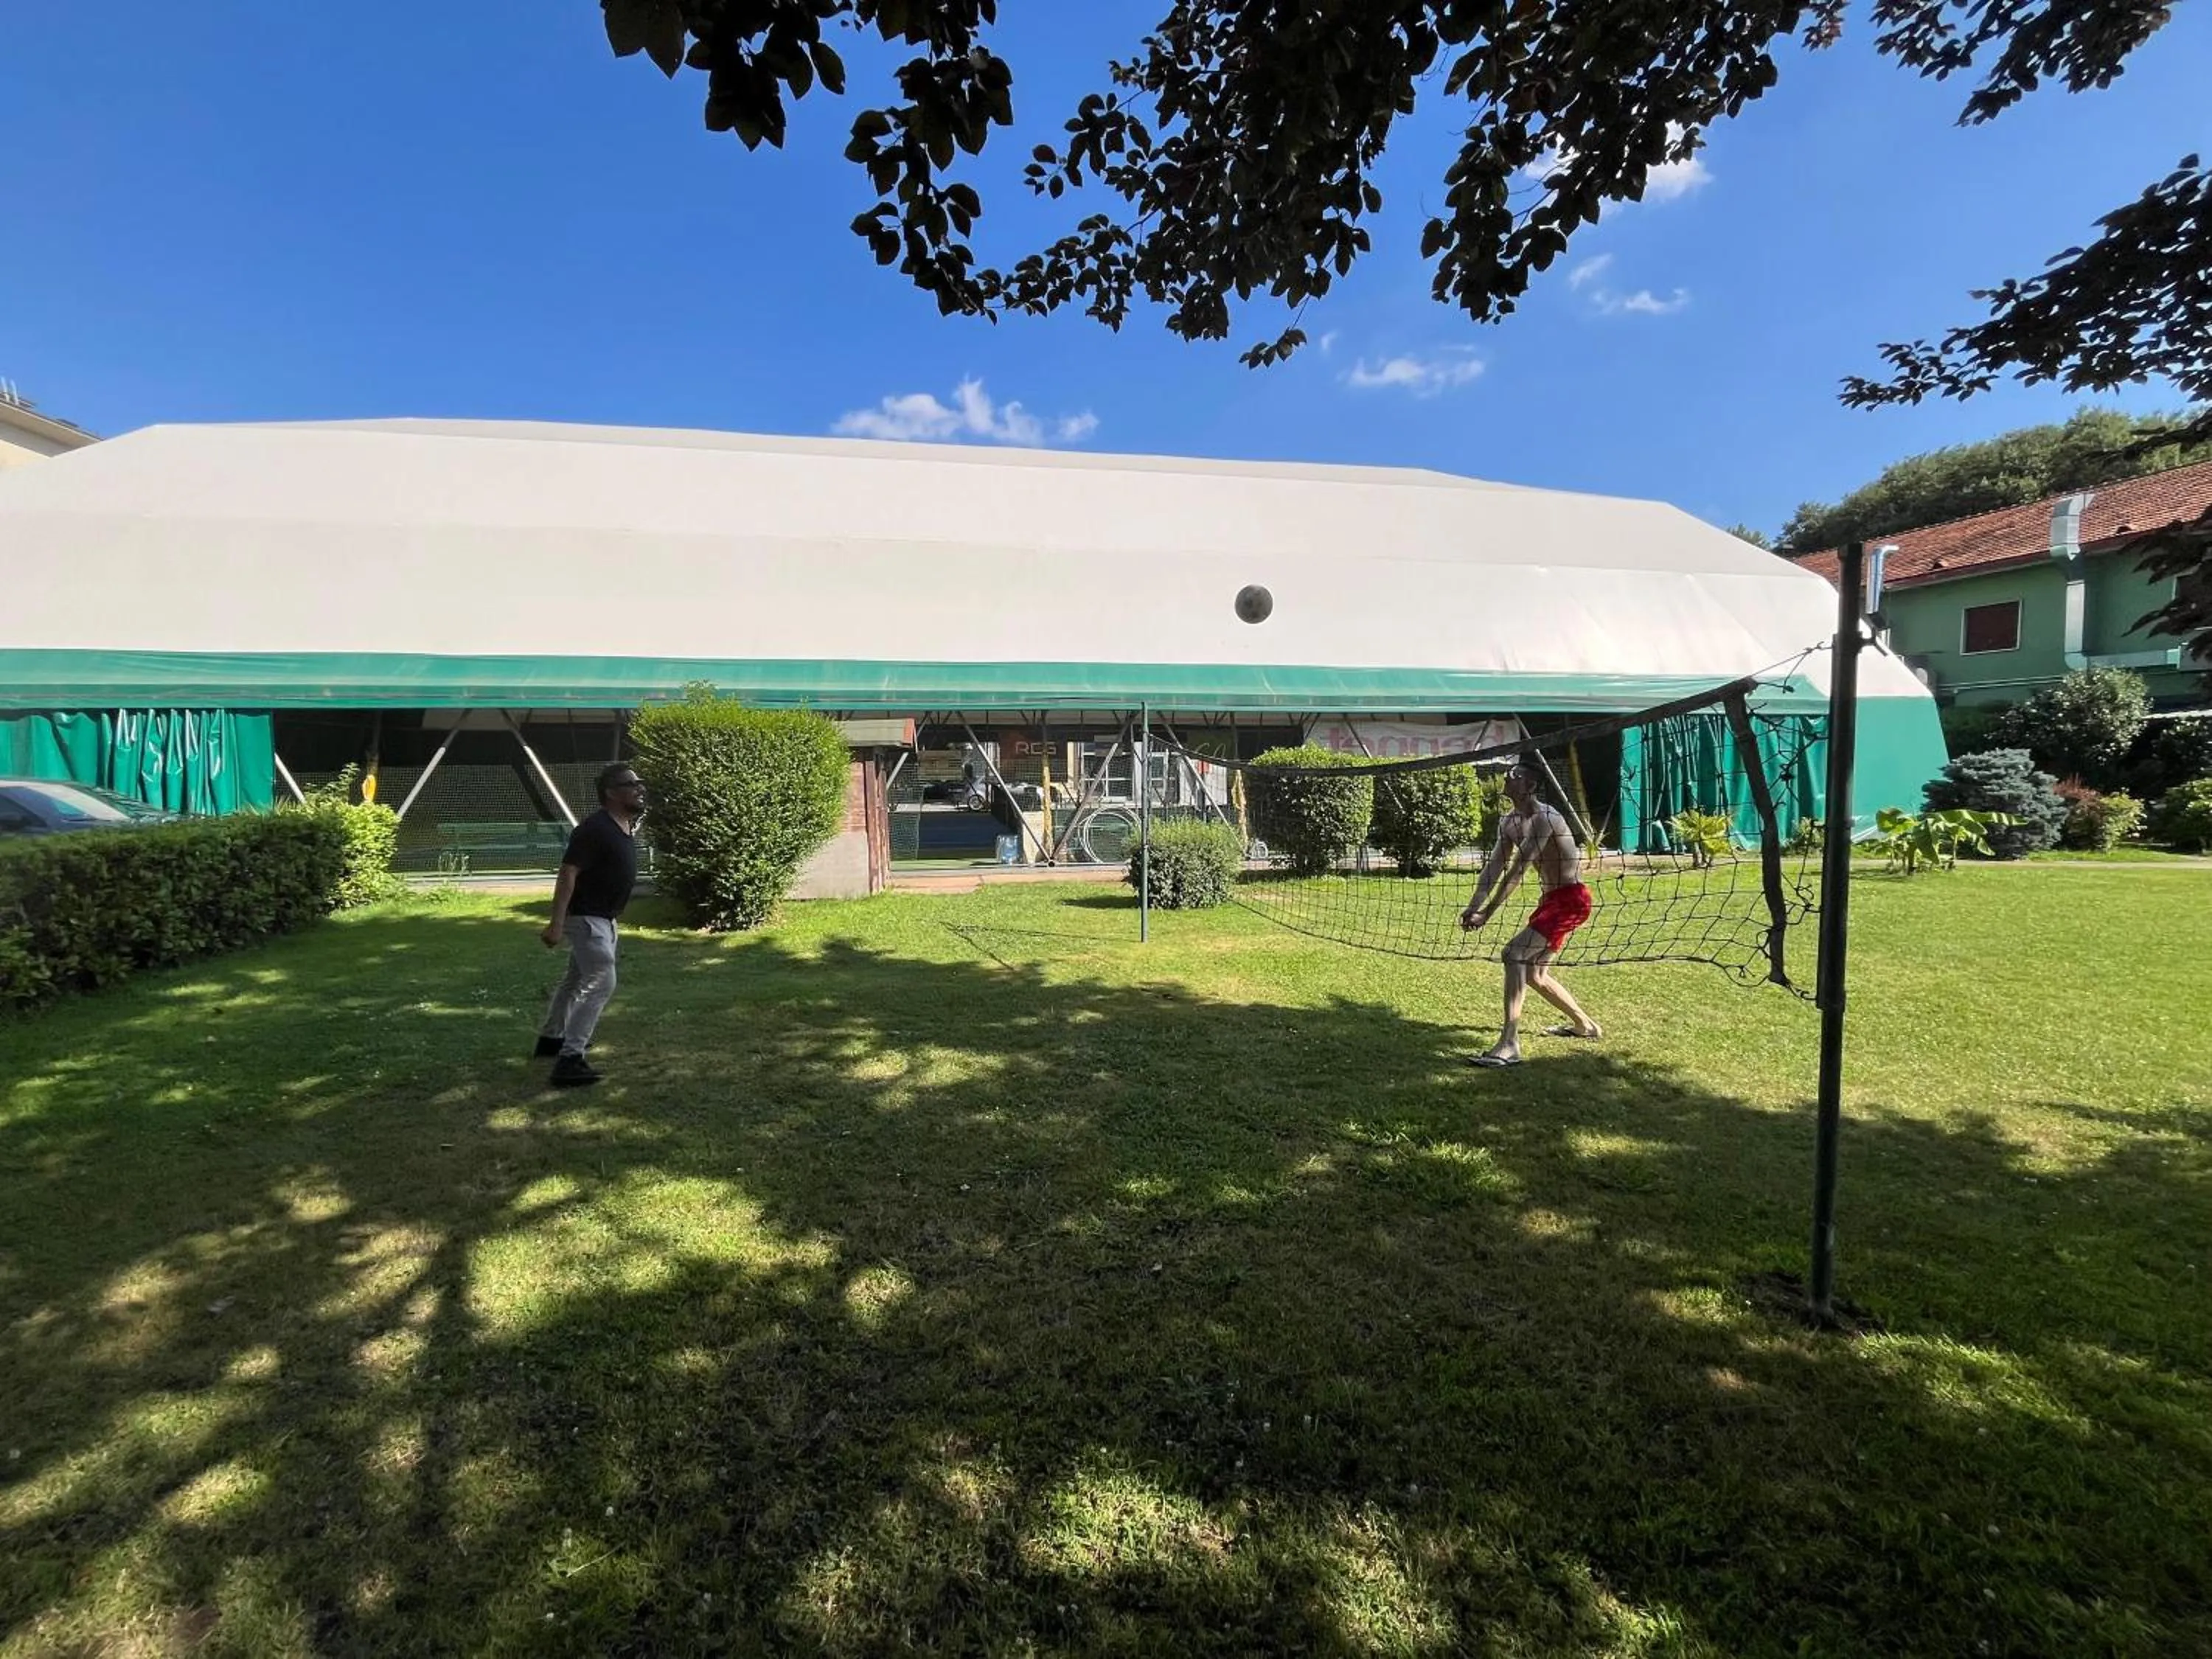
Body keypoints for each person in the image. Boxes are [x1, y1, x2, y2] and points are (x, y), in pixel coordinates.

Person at [1458, 757, 1600, 1067]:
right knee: (1535, 974)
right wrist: (1473, 906)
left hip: (1571, 899)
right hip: (1551, 900)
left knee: (1514, 954)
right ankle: (1585, 1026)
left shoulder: (1544, 818)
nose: (1507, 777)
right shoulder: (1509, 822)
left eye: (1515, 775)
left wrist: (1487, 914)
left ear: (1531, 786)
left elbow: (1517, 871)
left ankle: (1509, 1045)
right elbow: (1494, 868)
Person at [535, 764, 647, 1087]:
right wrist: (556, 924)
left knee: (574, 980)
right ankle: (570, 1060)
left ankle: (551, 1039)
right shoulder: (594, 829)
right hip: (587, 918)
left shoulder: (622, 826)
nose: (640, 788)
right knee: (601, 981)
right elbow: (568, 873)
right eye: (631, 784)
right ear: (611, 792)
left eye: (640, 783)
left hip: (604, 919)